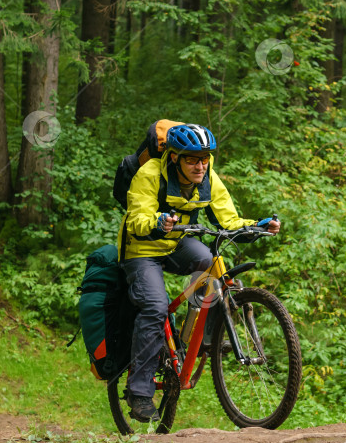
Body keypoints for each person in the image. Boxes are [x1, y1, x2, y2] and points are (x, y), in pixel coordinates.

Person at [117, 123, 280, 422]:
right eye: (192, 159)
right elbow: (137, 219)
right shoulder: (150, 174)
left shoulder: (207, 178)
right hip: (142, 250)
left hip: (177, 243)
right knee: (154, 306)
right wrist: (157, 222)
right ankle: (139, 392)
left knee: (210, 264)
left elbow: (227, 220)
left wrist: (257, 225)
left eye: (204, 158)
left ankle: (204, 336)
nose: (200, 165)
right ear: (175, 158)